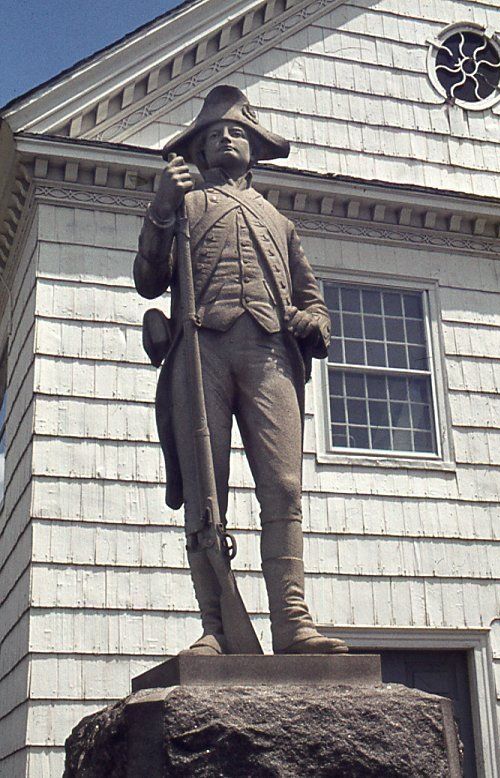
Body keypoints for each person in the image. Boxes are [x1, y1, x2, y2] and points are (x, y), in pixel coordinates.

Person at [133, 85, 347, 656]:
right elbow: (148, 281)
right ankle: (218, 625)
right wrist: (160, 209)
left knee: (282, 487)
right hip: (201, 349)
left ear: (254, 148)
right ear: (199, 150)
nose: (225, 139)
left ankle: (292, 621)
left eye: (237, 132)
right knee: (208, 489)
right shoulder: (185, 206)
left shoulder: (279, 221)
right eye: (213, 134)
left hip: (270, 354)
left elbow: (312, 298)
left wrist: (312, 321)